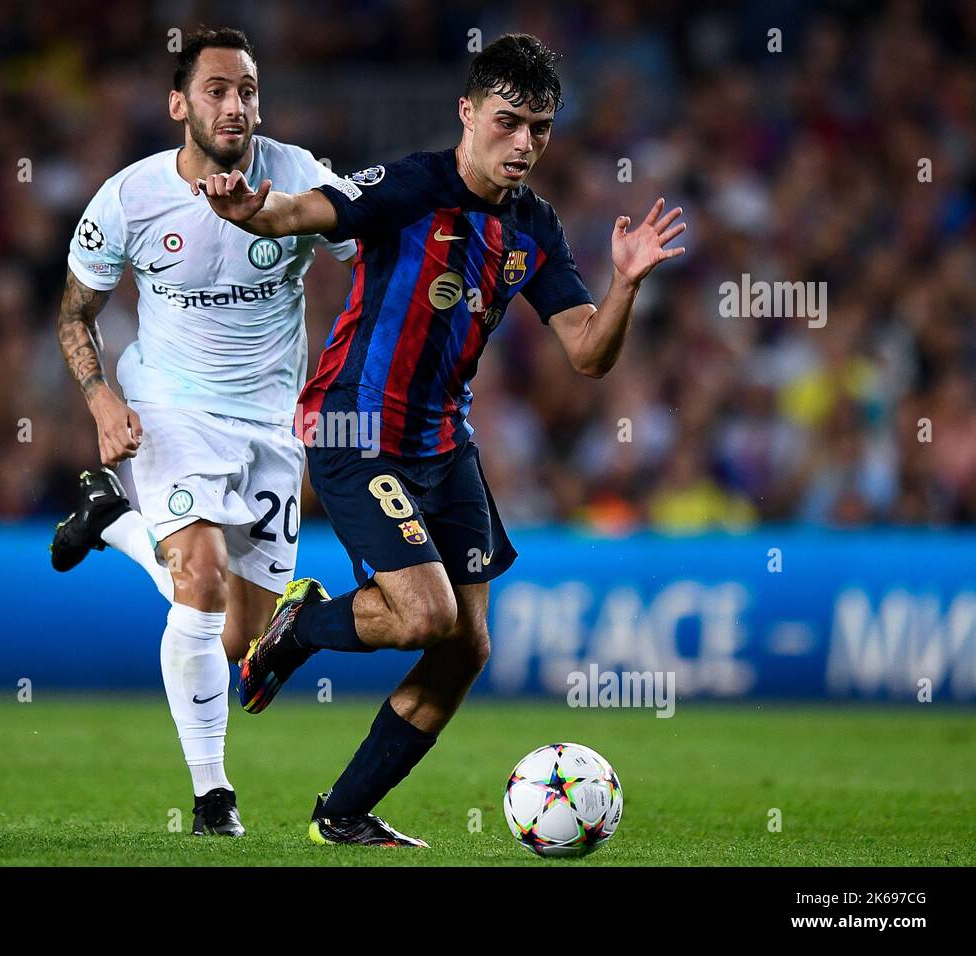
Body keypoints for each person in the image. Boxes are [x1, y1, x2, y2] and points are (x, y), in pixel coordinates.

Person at [195, 33, 685, 846]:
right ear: (467, 112)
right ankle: (306, 623)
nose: (524, 143)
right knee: (424, 614)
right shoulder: (412, 185)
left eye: (541, 127)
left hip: (443, 442)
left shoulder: (535, 228)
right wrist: (255, 210)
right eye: (508, 121)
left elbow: (590, 354)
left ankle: (342, 814)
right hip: (356, 427)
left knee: (466, 646)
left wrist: (625, 284)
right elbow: (309, 209)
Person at [50, 27, 355, 837]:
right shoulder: (129, 198)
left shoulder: (296, 175)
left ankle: (112, 522)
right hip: (169, 406)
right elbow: (75, 314)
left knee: (237, 641)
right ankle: (214, 799)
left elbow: (373, 245)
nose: (236, 105)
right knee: (201, 574)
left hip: (268, 424)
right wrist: (103, 402)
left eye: (248, 90)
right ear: (179, 104)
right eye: (218, 89)